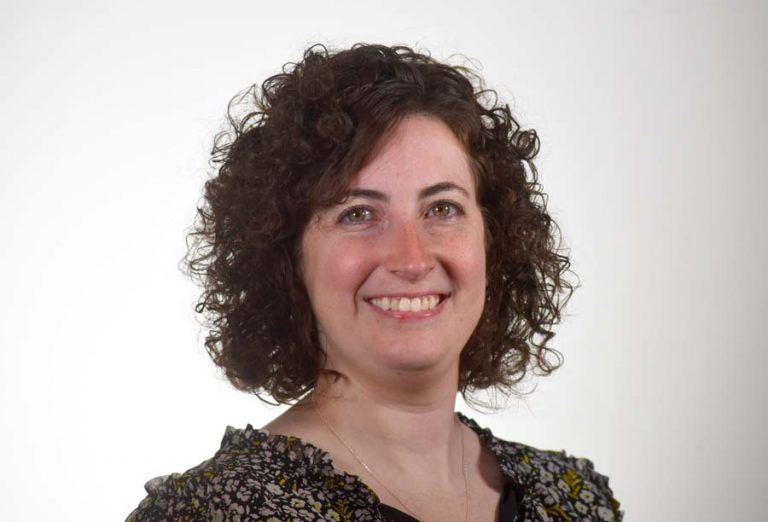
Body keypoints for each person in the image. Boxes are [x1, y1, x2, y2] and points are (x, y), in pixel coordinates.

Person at [127, 43, 622, 521]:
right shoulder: (211, 512)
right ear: (287, 257)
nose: (412, 259)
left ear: (495, 239)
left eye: (442, 209)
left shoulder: (574, 500)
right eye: (359, 213)